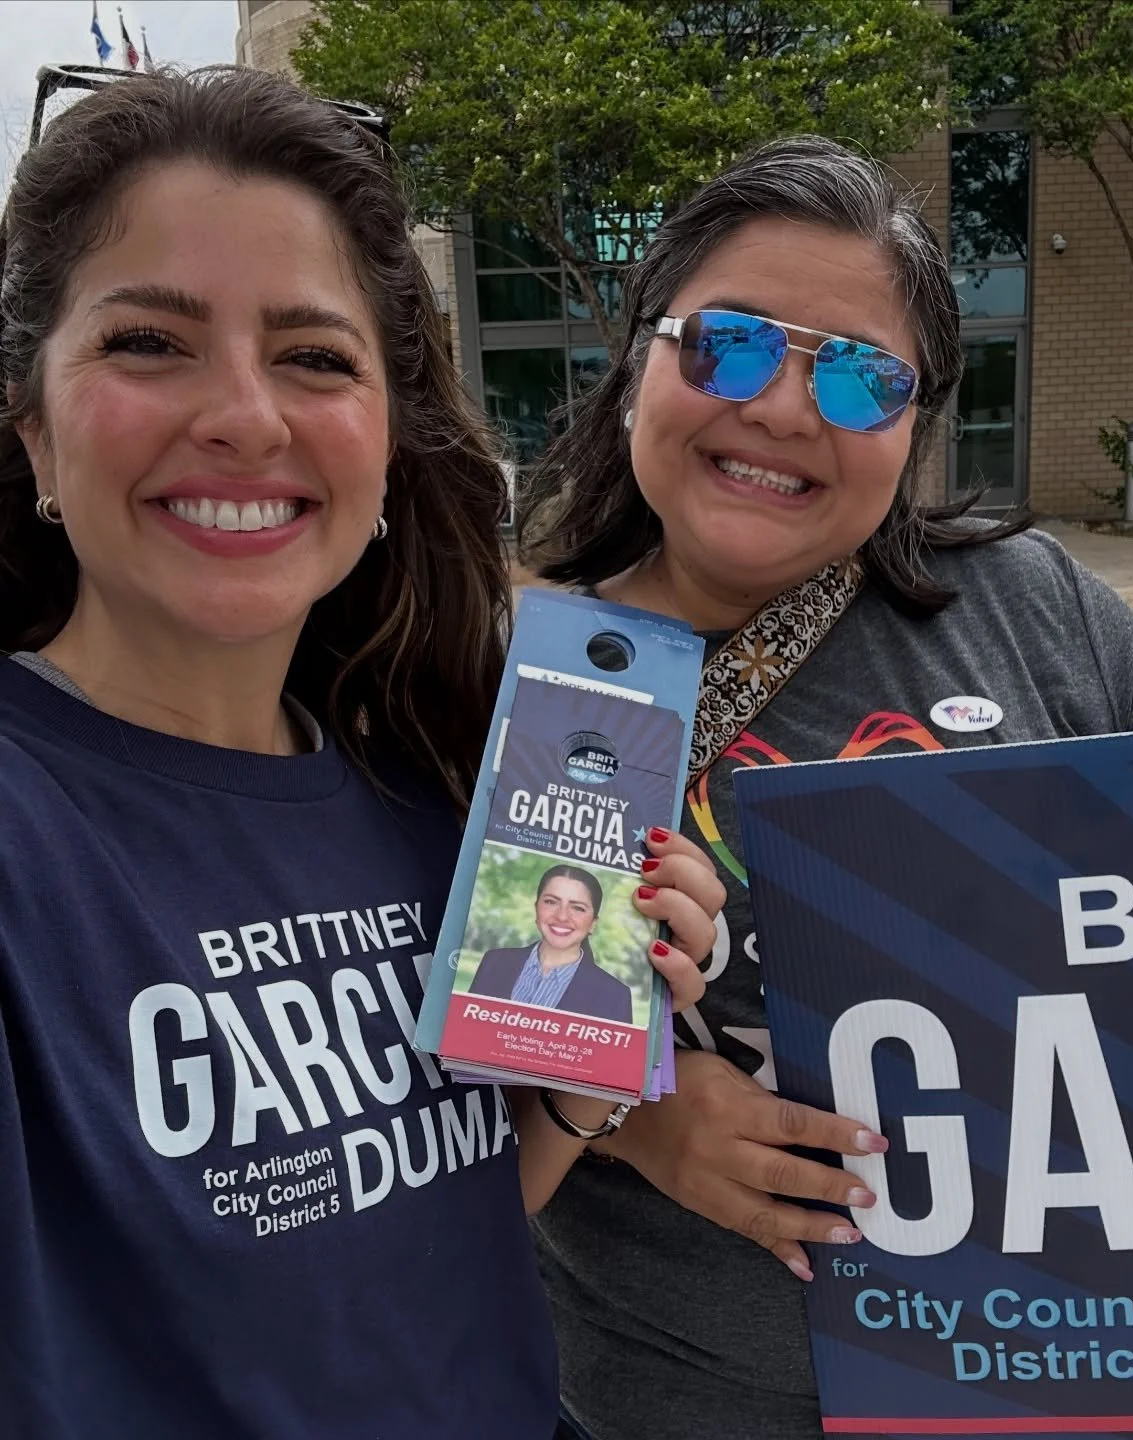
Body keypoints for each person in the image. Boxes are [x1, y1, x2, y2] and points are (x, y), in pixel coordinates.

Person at [0, 66, 725, 1439]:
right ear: (33, 422)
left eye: (315, 356)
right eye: (149, 342)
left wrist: (574, 1092)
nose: (245, 416)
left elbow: (408, 1232)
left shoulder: (430, 795)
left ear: (387, 443)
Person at [517, 136, 1133, 1440]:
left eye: (856, 378)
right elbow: (451, 1104)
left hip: (1063, 1368)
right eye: (725, 343)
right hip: (691, 1401)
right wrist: (644, 1116)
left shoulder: (1037, 610)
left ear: (914, 429)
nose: (783, 407)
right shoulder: (550, 680)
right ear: (637, 370)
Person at [469, 864, 635, 1024]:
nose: (562, 916)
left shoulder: (615, 996)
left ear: (593, 923)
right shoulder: (494, 962)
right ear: (536, 908)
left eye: (577, 908)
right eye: (551, 902)